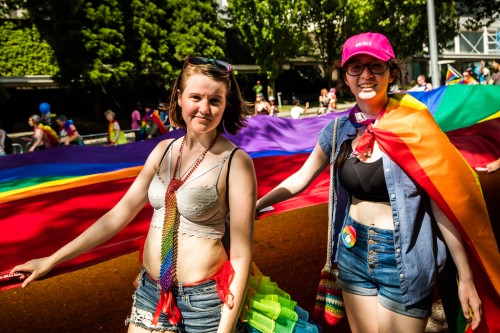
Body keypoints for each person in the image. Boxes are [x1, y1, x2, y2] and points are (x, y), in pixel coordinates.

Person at [256, 32, 486, 332]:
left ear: (392, 73)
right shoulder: (339, 129)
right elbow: (302, 178)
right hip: (352, 250)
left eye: (375, 66)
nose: (366, 75)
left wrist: (465, 277)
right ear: (346, 78)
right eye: (356, 67)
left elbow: (442, 204)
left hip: (404, 258)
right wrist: (257, 205)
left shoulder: (416, 127)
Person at [10, 56, 257, 333]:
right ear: (179, 97)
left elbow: (240, 256)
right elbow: (118, 215)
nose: (204, 108)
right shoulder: (162, 151)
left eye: (215, 100)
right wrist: (51, 260)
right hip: (151, 294)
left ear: (226, 104)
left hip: (206, 305)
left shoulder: (236, 162)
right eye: (196, 97)